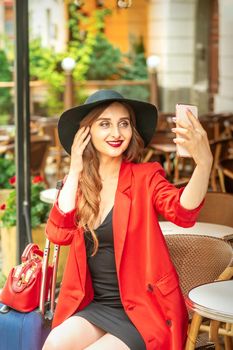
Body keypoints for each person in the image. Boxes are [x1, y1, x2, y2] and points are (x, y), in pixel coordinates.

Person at [43, 89, 213, 350]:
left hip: (144, 309)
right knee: (54, 343)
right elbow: (59, 234)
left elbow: (182, 211)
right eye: (104, 124)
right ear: (85, 132)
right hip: (96, 305)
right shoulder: (77, 184)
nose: (116, 133)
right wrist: (75, 168)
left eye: (124, 123)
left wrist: (204, 164)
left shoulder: (146, 177)